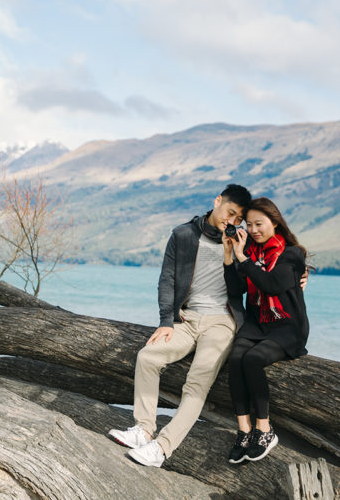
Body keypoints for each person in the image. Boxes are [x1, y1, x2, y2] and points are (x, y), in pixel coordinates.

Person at [108, 184, 252, 467]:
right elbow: (167, 279)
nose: (232, 222)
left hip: (222, 323)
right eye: (230, 213)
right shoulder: (183, 234)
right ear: (217, 201)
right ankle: (143, 429)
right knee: (147, 356)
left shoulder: (238, 242)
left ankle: (161, 448)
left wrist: (234, 254)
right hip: (186, 318)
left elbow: (242, 289)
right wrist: (166, 321)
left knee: (197, 380)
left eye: (238, 219)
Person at [222, 196, 309, 464]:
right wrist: (230, 257)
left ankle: (265, 429)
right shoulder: (248, 252)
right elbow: (236, 290)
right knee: (236, 359)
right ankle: (245, 430)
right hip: (257, 322)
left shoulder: (292, 255)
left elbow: (271, 284)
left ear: (275, 222)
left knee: (253, 359)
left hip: (287, 327)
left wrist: (243, 259)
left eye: (259, 224)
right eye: (249, 225)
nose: (254, 230)